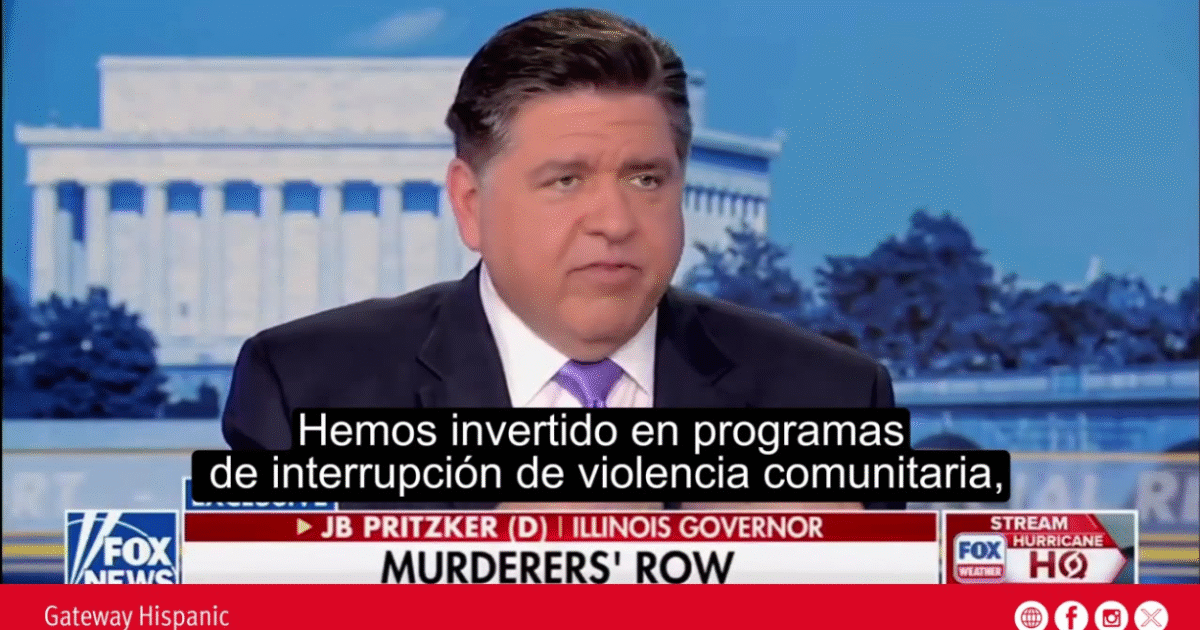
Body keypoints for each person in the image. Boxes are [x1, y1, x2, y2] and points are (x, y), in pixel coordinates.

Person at [222, 8, 901, 511]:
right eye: (565, 180)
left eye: (646, 180)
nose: (614, 222)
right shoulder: (305, 389)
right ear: (470, 204)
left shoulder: (831, 399)